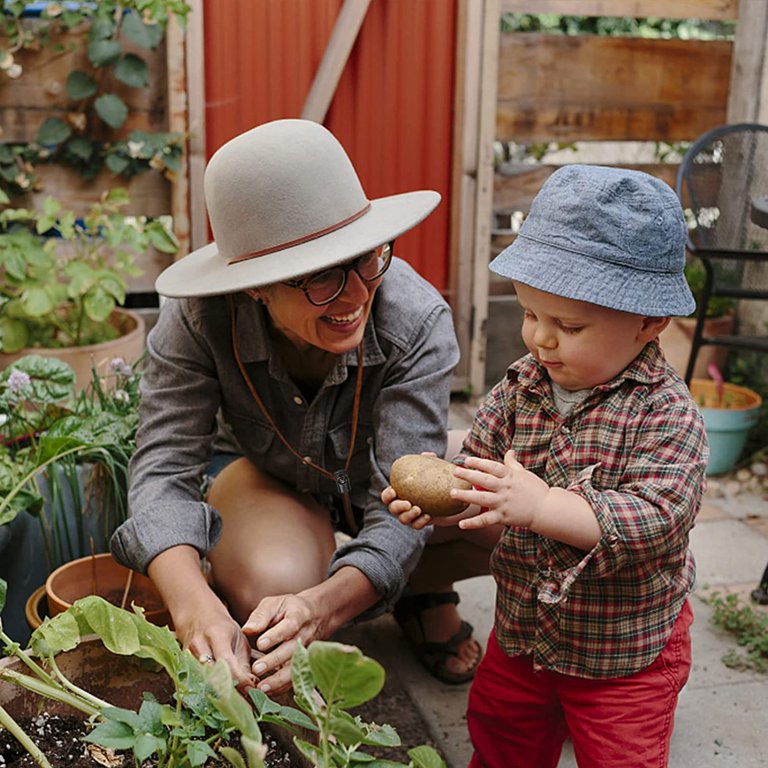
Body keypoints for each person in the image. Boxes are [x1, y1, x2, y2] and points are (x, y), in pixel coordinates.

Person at [110, 118, 491, 695]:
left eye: (368, 258)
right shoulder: (199, 320)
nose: (359, 294)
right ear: (256, 287)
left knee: (510, 503)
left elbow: (402, 499)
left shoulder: (415, 318)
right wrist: (193, 606)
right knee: (273, 578)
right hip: (275, 481)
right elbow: (163, 468)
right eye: (322, 279)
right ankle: (351, 585)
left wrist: (326, 608)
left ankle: (420, 589)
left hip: (384, 483)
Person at [385, 165, 709, 767]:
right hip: (524, 635)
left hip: (623, 656)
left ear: (648, 322)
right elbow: (481, 468)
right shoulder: (521, 387)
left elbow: (656, 520)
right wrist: (442, 498)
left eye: (570, 325)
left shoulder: (667, 414)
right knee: (502, 740)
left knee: (621, 758)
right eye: (531, 314)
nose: (541, 339)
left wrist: (543, 507)